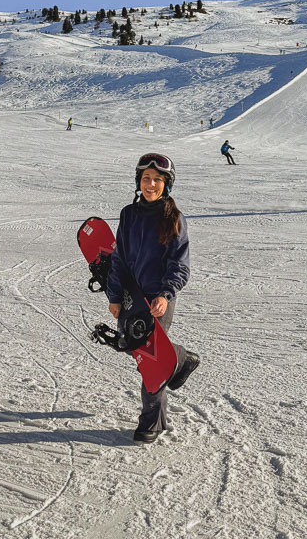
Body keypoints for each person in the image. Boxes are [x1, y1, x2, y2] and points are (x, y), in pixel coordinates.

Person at [106, 153, 200, 444]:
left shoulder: (173, 218)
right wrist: (114, 295)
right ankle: (181, 358)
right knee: (142, 354)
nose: (150, 184)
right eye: (146, 179)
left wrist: (165, 294)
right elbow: (119, 257)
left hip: (159, 298)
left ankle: (152, 422)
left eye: (157, 179)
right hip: (132, 296)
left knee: (152, 361)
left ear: (166, 184)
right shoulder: (128, 214)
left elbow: (180, 265)